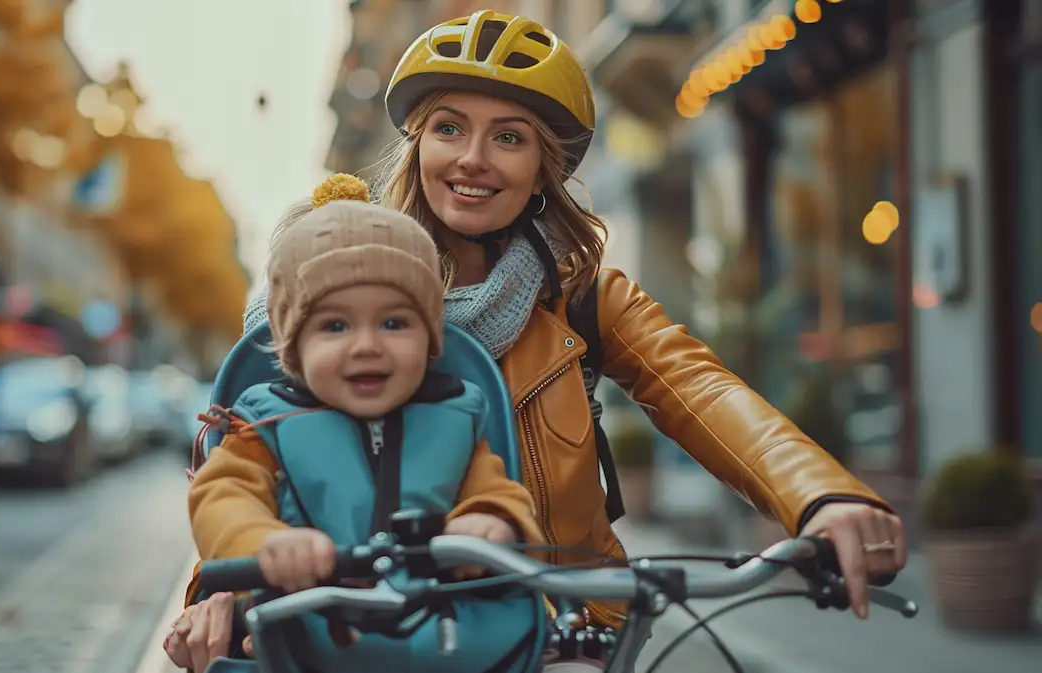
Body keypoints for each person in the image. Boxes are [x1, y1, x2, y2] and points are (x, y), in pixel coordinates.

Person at [167, 10, 907, 672]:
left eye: (510, 137)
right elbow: (249, 446)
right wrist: (219, 586)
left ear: (544, 171)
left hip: (557, 617)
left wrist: (822, 497)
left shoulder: (582, 298)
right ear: (417, 143)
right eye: (449, 127)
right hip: (351, 630)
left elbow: (703, 391)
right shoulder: (334, 284)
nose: (472, 159)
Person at [183, 180, 551, 673]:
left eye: (395, 324)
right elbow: (221, 495)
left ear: (430, 338)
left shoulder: (456, 415)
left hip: (441, 631)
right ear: (294, 347)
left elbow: (498, 488)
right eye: (335, 326)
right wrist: (264, 541)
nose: (367, 346)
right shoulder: (264, 422)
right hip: (307, 627)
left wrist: (491, 520)